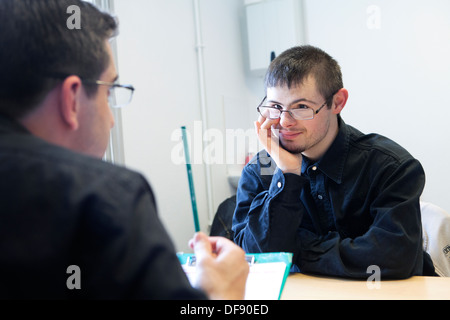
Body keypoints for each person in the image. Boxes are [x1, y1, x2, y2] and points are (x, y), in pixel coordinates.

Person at [0, 0, 248, 299]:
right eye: (109, 91)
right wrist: (221, 292)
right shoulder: (105, 199)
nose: (112, 119)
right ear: (73, 98)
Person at [233, 45, 436, 279]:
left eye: (301, 107)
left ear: (337, 102)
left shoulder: (391, 167)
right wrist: (287, 174)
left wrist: (294, 250)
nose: (285, 122)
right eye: (276, 107)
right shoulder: (258, 172)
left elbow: (393, 258)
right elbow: (254, 260)